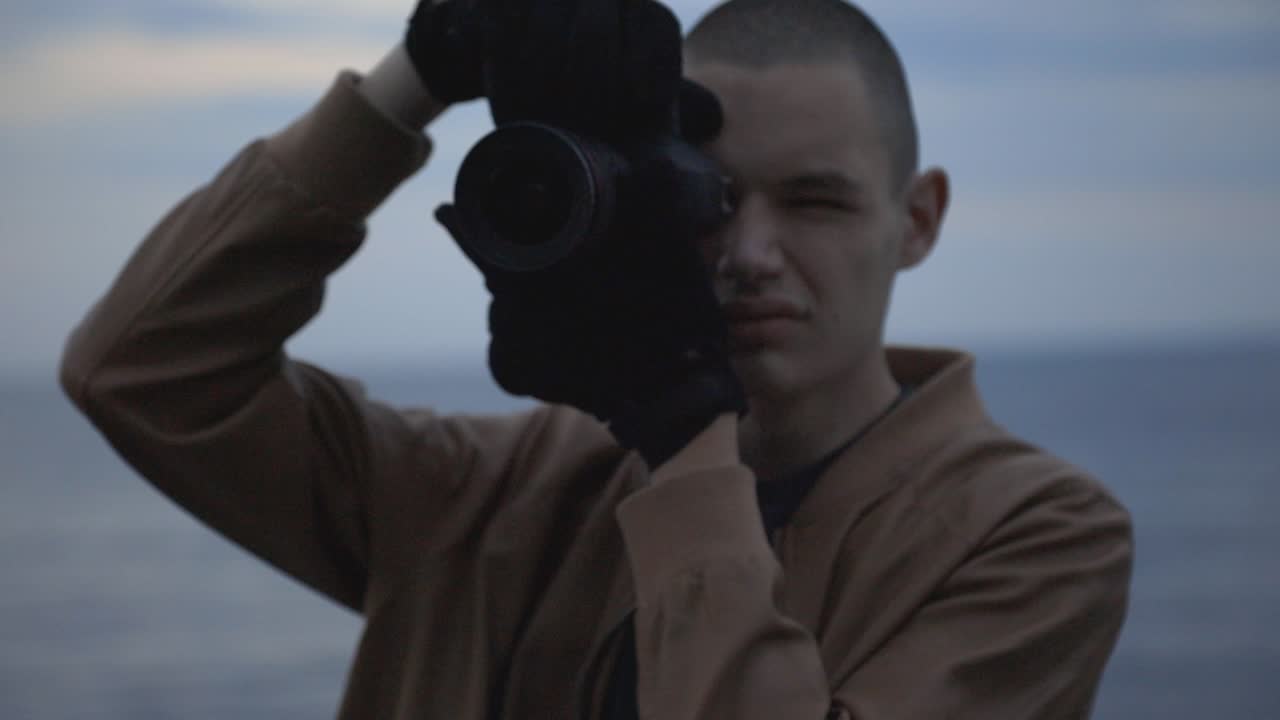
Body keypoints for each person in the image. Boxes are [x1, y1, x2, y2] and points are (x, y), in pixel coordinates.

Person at [60, 0, 1133, 717]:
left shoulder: (1033, 538)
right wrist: (413, 81)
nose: (751, 254)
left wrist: (685, 440)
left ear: (919, 217)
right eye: (707, 199)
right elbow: (142, 369)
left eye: (814, 200)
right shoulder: (497, 492)